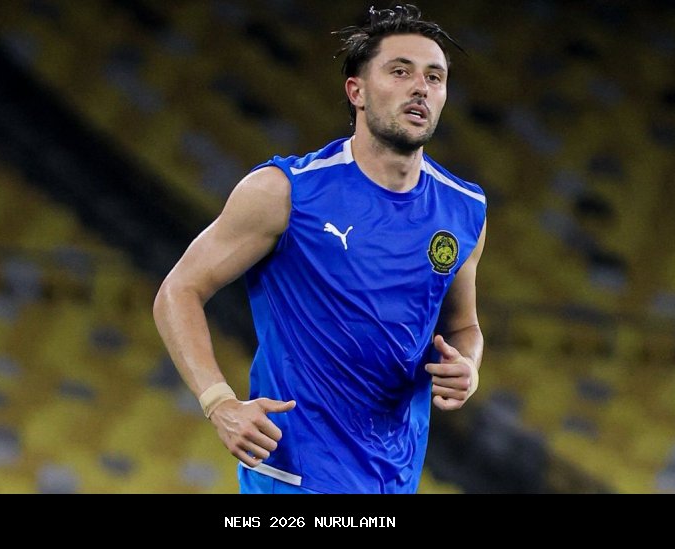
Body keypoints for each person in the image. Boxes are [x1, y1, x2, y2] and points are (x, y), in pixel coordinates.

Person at [153, 4, 486, 494]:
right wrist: (219, 401)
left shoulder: (464, 208)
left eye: (434, 77)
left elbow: (463, 327)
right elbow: (178, 291)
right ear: (357, 91)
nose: (421, 87)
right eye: (400, 71)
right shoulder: (286, 191)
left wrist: (468, 366)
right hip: (295, 475)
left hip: (394, 478)